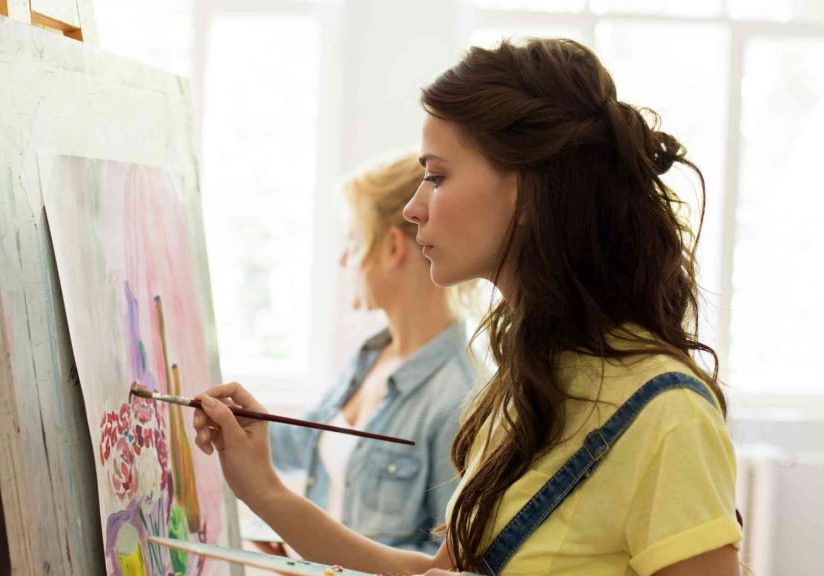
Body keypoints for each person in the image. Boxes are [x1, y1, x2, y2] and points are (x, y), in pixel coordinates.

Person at [193, 38, 742, 576]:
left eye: (437, 176)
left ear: (524, 192)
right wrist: (262, 489)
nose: (413, 208)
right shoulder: (522, 387)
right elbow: (434, 572)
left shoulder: (668, 413)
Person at [259, 151, 475, 554]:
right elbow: (304, 440)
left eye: (353, 240)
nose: (343, 258)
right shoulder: (369, 356)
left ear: (393, 247)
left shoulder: (460, 399)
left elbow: (449, 561)